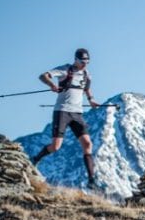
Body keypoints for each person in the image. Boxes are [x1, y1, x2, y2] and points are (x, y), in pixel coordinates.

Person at [32, 48, 101, 187]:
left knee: (88, 144)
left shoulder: (87, 74)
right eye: (82, 61)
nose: (85, 64)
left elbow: (87, 89)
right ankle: (36, 159)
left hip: (77, 113)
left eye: (87, 61)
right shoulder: (65, 70)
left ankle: (91, 180)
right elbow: (42, 76)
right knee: (56, 146)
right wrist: (52, 84)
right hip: (62, 111)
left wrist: (91, 100)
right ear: (75, 59)